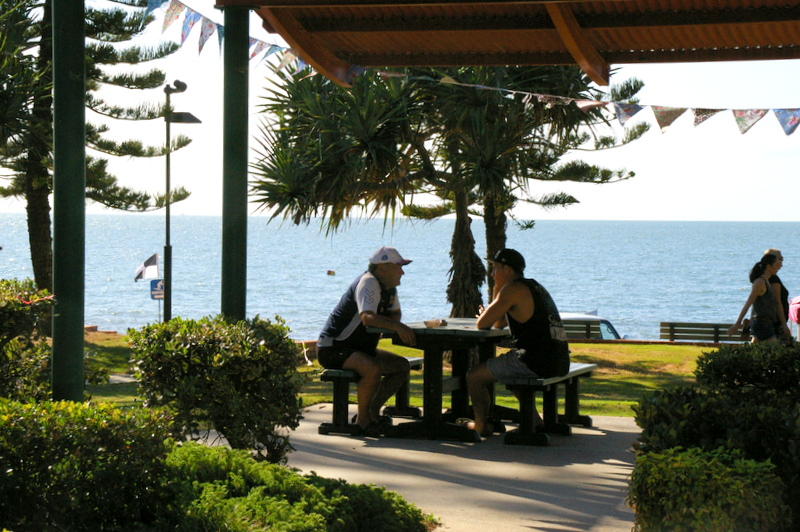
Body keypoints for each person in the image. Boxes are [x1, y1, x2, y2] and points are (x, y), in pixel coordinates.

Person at [465, 248, 570, 437]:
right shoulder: (532, 286)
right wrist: (497, 296)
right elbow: (498, 323)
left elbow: (483, 324)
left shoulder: (512, 289)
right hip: (558, 359)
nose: (492, 274)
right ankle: (535, 421)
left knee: (474, 376)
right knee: (508, 374)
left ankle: (480, 425)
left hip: (535, 361)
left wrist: (495, 295)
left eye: (495, 269)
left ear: (507, 270)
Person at [316, 246, 416, 436]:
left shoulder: (389, 288)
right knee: (372, 368)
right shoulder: (369, 282)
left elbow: (396, 314)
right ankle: (363, 421)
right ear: (383, 267)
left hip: (359, 349)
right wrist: (398, 327)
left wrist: (394, 324)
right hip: (334, 347)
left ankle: (372, 411)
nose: (402, 271)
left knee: (401, 366)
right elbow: (368, 317)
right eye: (399, 267)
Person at [728, 253, 783, 342]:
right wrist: (737, 324)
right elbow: (748, 304)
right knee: (774, 352)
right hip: (762, 324)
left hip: (765, 323)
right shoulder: (760, 283)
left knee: (755, 352)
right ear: (769, 266)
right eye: (777, 265)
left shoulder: (766, 281)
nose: (779, 267)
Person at [764, 248, 791, 340]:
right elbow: (777, 302)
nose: (781, 264)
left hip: (767, 322)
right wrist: (784, 326)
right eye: (780, 259)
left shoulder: (761, 278)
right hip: (775, 324)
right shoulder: (773, 279)